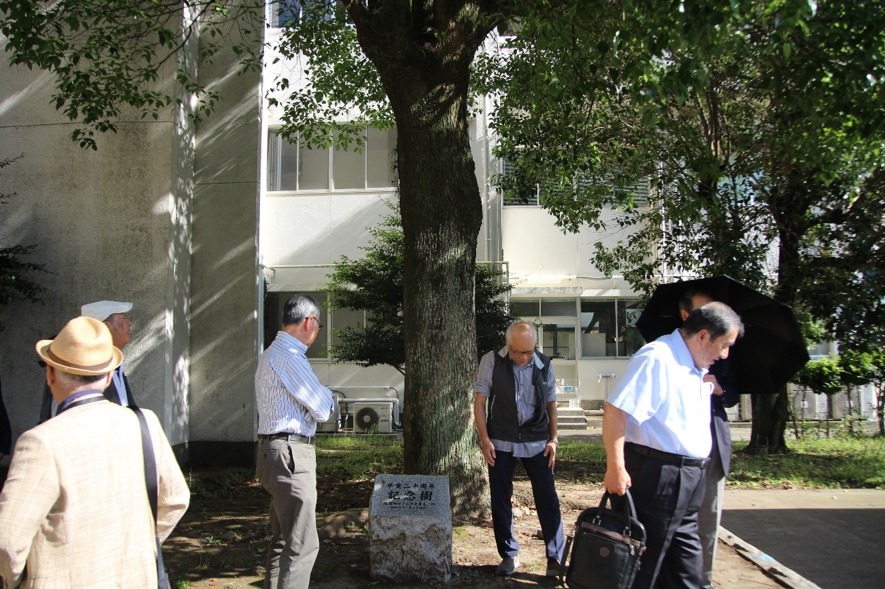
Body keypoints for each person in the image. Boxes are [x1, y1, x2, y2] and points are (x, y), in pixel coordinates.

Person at [0, 316, 189, 587]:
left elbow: (7, 541)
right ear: (109, 376)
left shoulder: (40, 441)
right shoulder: (144, 422)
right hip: (137, 578)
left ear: (50, 374)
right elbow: (175, 499)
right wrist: (139, 546)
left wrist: (17, 580)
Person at [603, 302, 743, 589]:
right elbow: (616, 411)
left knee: (686, 572)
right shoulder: (658, 357)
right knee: (642, 568)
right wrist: (615, 467)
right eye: (724, 345)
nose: (725, 354)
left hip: (689, 479)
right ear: (703, 336)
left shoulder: (694, 366)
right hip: (657, 478)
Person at [474, 320, 564, 577]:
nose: (523, 357)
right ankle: (509, 554)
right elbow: (480, 402)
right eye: (517, 352)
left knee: (547, 498)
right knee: (500, 498)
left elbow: (551, 404)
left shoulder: (544, 363)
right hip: (500, 441)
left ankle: (555, 557)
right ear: (508, 344)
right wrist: (485, 439)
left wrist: (553, 439)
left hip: (537, 441)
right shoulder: (491, 361)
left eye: (528, 352)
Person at [255, 295, 334, 589]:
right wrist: (325, 395)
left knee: (282, 538)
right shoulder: (289, 356)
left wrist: (318, 398)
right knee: (302, 544)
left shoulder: (273, 353)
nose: (317, 331)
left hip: (273, 452)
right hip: (291, 454)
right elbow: (323, 408)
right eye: (319, 325)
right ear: (309, 321)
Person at [677, 290, 741, 589]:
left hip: (712, 439)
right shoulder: (668, 352)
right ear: (686, 316)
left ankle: (703, 580)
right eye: (704, 311)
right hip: (675, 448)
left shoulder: (723, 351)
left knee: (707, 516)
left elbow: (733, 394)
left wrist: (719, 389)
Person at [40, 300, 137, 421]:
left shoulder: (114, 364)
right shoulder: (78, 369)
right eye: (123, 318)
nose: (129, 323)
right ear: (107, 326)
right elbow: (61, 418)